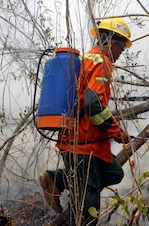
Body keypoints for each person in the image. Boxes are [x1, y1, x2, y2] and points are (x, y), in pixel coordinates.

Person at [39, 17, 132, 226]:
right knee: (86, 212)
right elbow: (93, 103)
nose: (120, 54)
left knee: (114, 173)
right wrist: (117, 132)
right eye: (122, 49)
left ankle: (58, 180)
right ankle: (70, 185)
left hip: (87, 144)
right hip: (83, 148)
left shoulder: (88, 59)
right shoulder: (102, 62)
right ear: (113, 44)